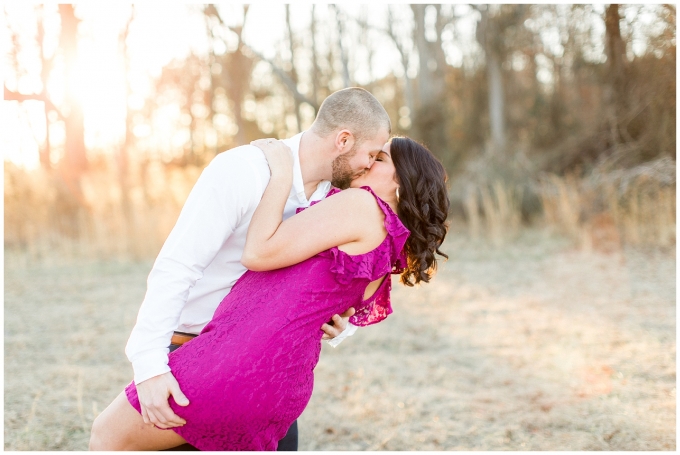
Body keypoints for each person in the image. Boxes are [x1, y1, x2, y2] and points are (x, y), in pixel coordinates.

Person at [89, 135, 450, 450]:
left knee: (108, 437)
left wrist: (281, 175)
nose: (368, 161)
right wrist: (338, 322)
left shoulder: (361, 204)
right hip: (284, 389)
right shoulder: (391, 247)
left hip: (235, 366)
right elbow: (334, 305)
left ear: (402, 182)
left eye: (381, 158)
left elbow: (259, 252)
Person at [117, 87, 391, 451]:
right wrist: (150, 366)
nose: (369, 167)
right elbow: (176, 267)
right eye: (370, 155)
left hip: (262, 372)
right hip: (189, 354)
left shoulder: (335, 202)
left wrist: (336, 327)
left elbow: (326, 284)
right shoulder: (244, 170)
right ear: (343, 140)